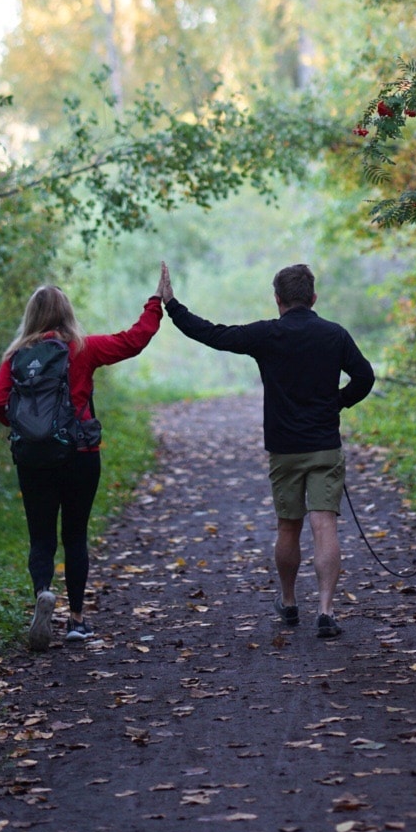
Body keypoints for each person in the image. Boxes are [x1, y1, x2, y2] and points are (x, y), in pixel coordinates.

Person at [159, 260, 374, 638]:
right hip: (324, 445)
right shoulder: (334, 334)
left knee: (288, 527)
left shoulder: (267, 335)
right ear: (313, 297)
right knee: (324, 525)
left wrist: (172, 305)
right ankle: (325, 610)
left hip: (284, 448)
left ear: (278, 299)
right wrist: (337, 402)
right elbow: (365, 376)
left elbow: (213, 334)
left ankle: (289, 603)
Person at [0, 278, 164, 650]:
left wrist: (25, 429)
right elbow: (134, 340)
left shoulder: (16, 356)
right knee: (75, 535)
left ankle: (43, 595)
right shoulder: (83, 348)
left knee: (42, 536)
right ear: (67, 314)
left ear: (30, 316)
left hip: (33, 459)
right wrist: (156, 301)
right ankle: (77, 621)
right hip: (80, 455)